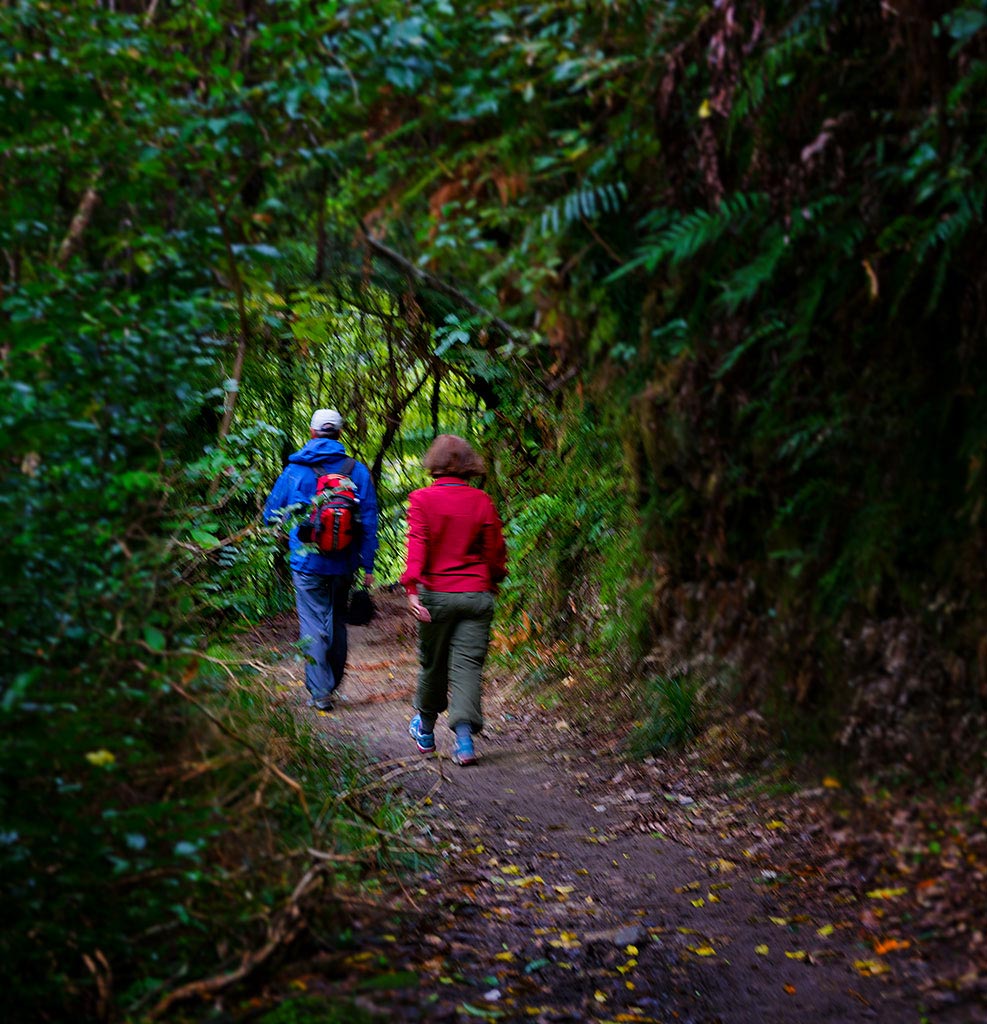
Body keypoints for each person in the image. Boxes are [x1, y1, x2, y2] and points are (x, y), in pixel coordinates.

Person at [401, 435, 507, 765]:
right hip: (475, 594)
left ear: (434, 462)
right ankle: (464, 744)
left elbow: (417, 547)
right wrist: (493, 580)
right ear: (467, 464)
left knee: (433, 663)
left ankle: (427, 732)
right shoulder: (481, 501)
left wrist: (412, 590)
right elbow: (494, 551)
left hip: (436, 597)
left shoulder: (421, 500)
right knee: (467, 667)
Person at [264, 408, 378, 712]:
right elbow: (368, 520)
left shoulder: (294, 470)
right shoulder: (357, 470)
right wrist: (368, 564)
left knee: (312, 623)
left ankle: (320, 690)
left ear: (312, 433)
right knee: (336, 619)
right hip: (344, 563)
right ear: (339, 434)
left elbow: (270, 515)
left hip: (306, 563)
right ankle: (332, 682)